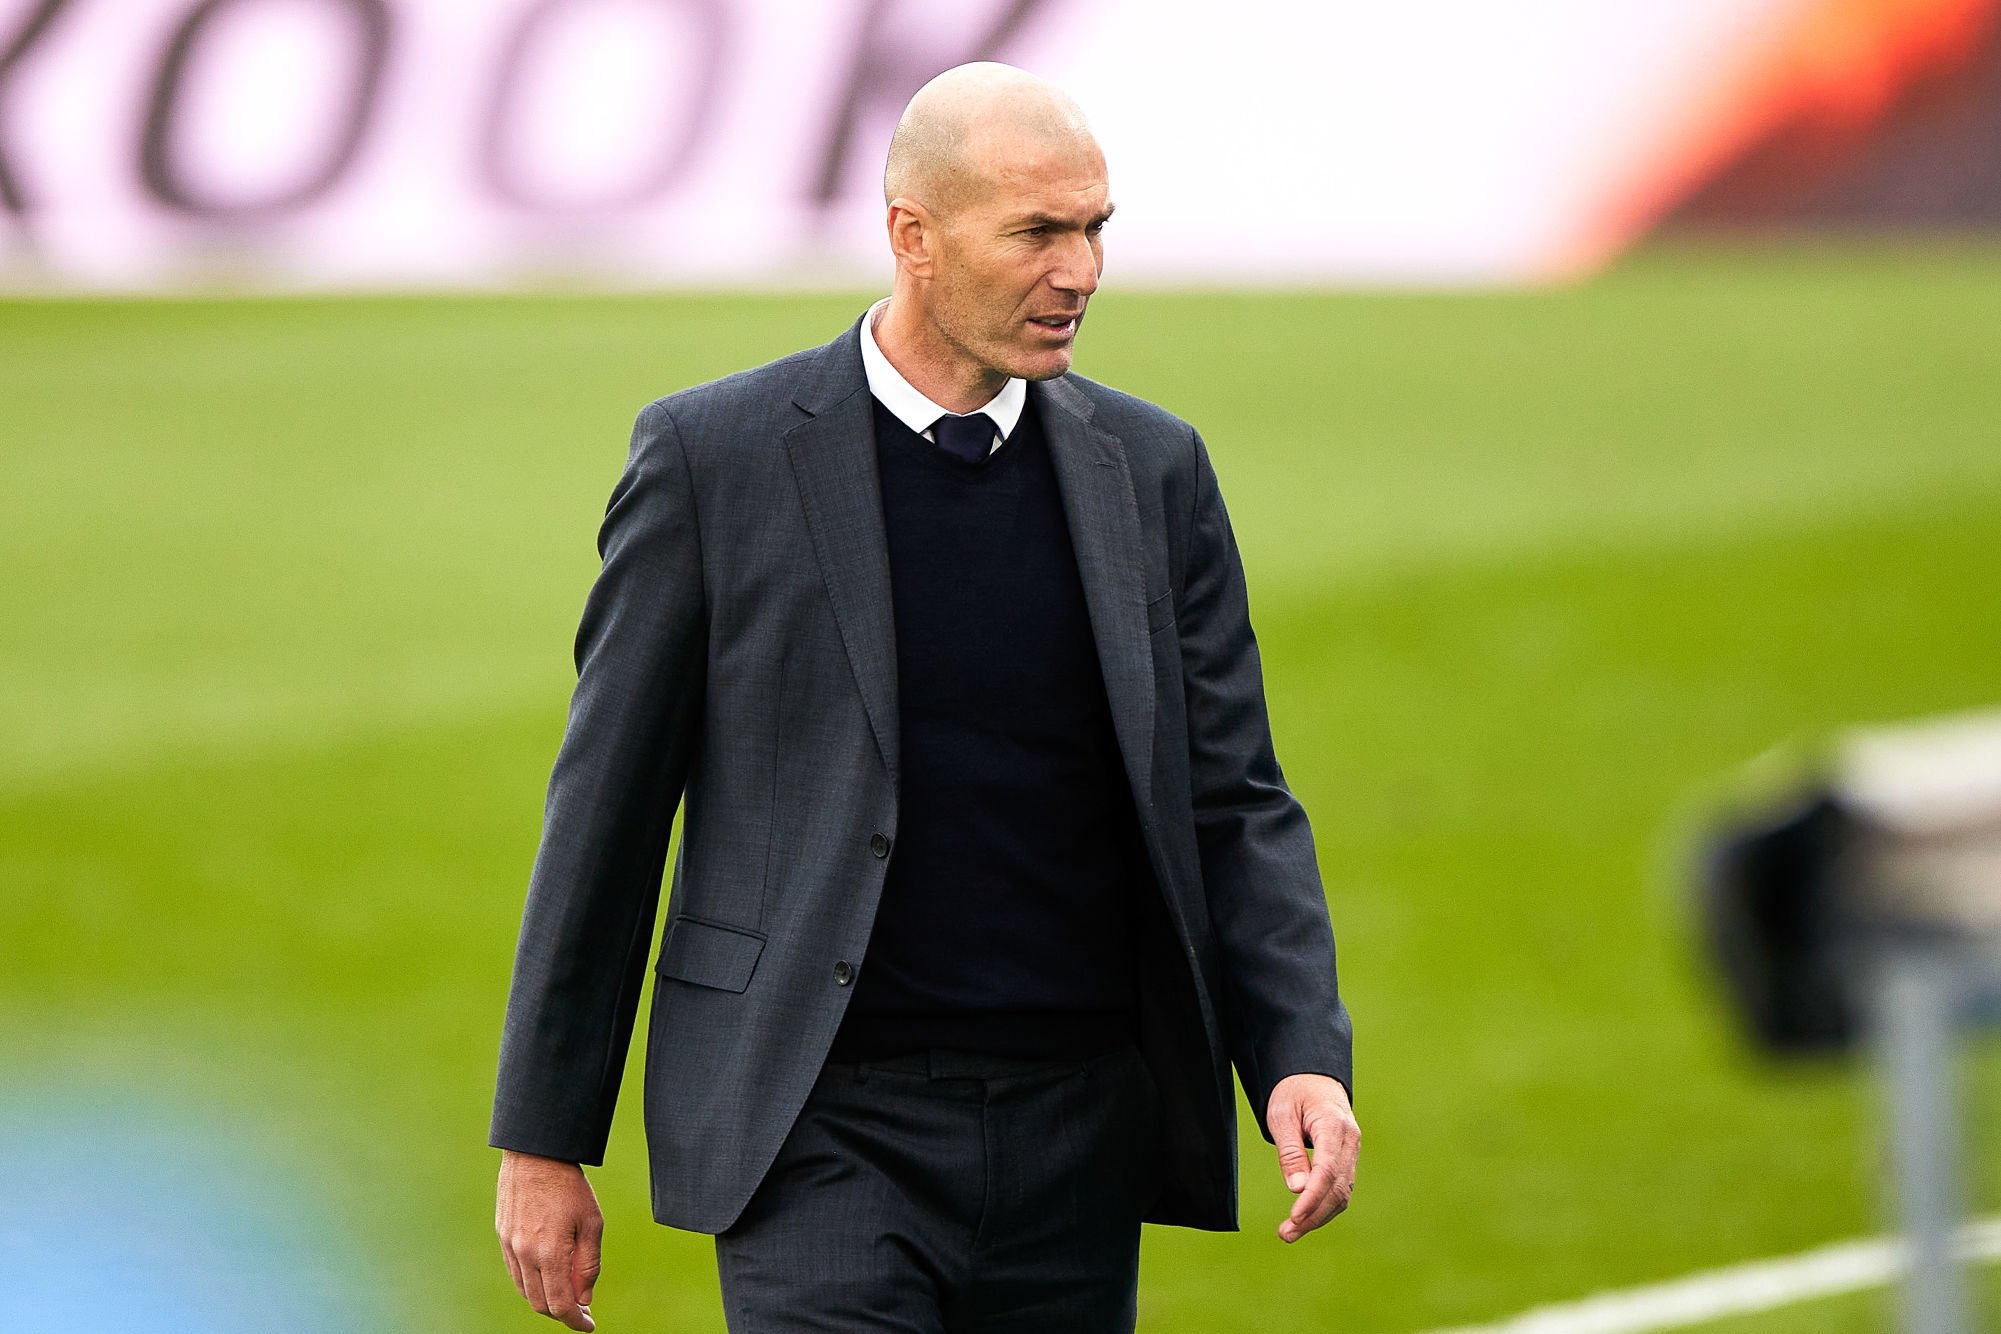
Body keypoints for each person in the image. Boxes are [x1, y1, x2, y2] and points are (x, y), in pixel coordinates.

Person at [489, 61, 1357, 1333]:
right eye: (1038, 232)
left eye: (1095, 228)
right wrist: (544, 1135)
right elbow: (606, 812)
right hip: (821, 1127)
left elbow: (1234, 797)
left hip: (1080, 1133)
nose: (1080, 271)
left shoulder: (1154, 469)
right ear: (914, 236)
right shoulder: (713, 459)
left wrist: (1299, 1052)